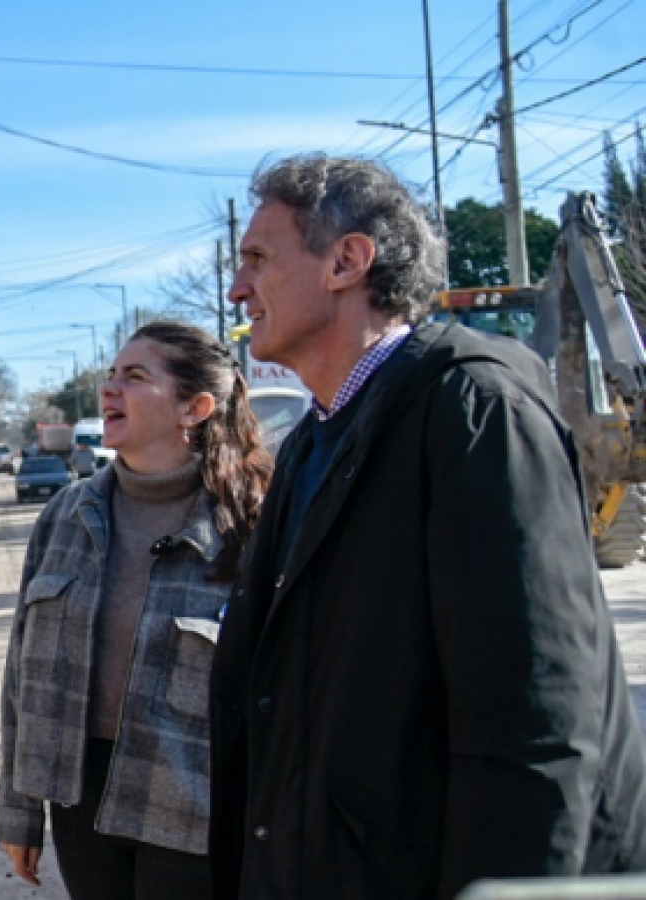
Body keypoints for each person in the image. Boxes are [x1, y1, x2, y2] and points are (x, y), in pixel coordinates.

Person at [210, 153, 646, 900]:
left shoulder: (476, 413)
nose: (237, 287)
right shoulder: (317, 440)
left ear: (348, 260)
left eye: (257, 258)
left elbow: (534, 720)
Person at [0, 320, 273, 899]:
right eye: (111, 376)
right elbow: (20, 677)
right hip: (79, 798)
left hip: (198, 807)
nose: (110, 390)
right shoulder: (67, 516)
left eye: (135, 377)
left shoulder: (252, 525)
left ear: (194, 408)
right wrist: (19, 811)